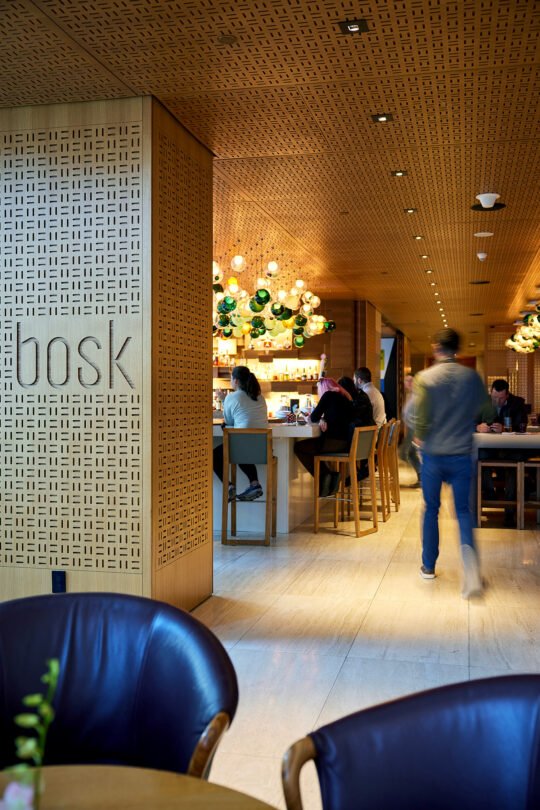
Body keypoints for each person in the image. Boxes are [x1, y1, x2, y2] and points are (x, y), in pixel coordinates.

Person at [413, 328, 491, 598]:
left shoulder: (425, 378)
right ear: (457, 349)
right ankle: (470, 570)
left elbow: (421, 419)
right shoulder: (471, 377)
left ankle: (428, 566)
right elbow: (488, 410)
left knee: (431, 508)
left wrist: (419, 439)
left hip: (434, 455)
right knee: (464, 512)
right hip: (461, 455)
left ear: (436, 347)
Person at [476, 379, 529, 526]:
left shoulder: (517, 403)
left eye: (500, 398)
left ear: (507, 395)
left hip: (510, 450)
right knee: (478, 459)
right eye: (494, 397)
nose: (497, 401)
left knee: (514, 467)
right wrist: (478, 427)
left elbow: (522, 425)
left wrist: (506, 429)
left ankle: (509, 512)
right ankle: (489, 493)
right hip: (488, 448)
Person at [213, 365, 268, 501]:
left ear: (236, 381)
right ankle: (254, 484)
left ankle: (229, 486)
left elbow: (229, 422)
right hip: (263, 448)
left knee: (216, 455)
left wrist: (224, 400)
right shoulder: (260, 397)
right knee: (241, 446)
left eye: (231, 379)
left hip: (242, 449)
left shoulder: (232, 397)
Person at [294, 377, 353, 497]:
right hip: (345, 443)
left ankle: (324, 476)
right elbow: (335, 417)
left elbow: (313, 418)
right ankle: (329, 476)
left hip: (332, 442)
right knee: (310, 448)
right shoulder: (345, 397)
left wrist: (317, 418)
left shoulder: (328, 395)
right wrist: (323, 418)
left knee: (299, 447)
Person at [399, 374, 422, 487]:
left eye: (410, 380)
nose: (408, 383)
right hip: (411, 428)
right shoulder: (410, 395)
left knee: (405, 453)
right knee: (408, 453)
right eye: (406, 380)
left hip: (416, 429)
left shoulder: (418, 395)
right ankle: (421, 477)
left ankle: (423, 476)